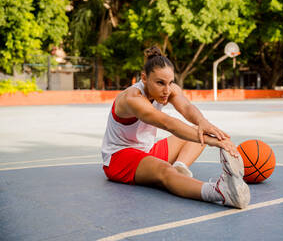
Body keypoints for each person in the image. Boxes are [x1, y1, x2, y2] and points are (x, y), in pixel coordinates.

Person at [101, 46, 250, 208]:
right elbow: (168, 123)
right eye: (160, 83)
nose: (167, 90)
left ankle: (180, 169)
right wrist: (215, 142)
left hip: (147, 150)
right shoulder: (132, 98)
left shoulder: (167, 90)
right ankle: (219, 192)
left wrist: (202, 122)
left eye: (170, 83)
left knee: (196, 135)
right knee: (165, 169)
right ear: (144, 78)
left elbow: (186, 108)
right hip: (119, 158)